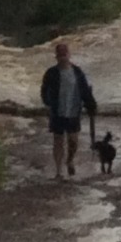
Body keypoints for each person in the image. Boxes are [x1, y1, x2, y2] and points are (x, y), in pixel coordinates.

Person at [40, 41, 97, 179]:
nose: (62, 57)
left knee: (73, 141)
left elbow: (84, 90)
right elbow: (44, 89)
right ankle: (59, 171)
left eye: (64, 54)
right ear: (56, 56)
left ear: (69, 55)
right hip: (57, 111)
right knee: (58, 140)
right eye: (60, 54)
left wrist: (91, 104)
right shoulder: (51, 72)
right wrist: (47, 102)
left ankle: (70, 160)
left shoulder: (77, 72)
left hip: (73, 111)